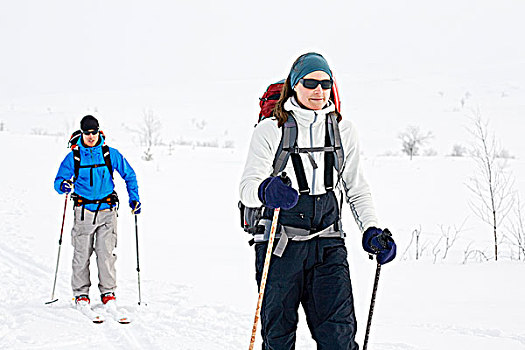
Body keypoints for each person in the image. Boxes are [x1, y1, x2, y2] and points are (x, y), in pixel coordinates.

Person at [239, 53, 396, 349]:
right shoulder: (271, 129)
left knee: (339, 337)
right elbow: (247, 187)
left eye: (325, 83)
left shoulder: (343, 131)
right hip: (278, 245)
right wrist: (266, 190)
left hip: (328, 245)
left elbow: (356, 188)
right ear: (295, 85)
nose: (318, 90)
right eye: (310, 82)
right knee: (278, 338)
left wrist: (371, 229)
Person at [54, 115, 141, 308]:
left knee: (106, 253)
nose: (91, 136)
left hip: (108, 212)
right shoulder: (74, 157)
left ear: (98, 131)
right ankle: (81, 294)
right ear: (82, 133)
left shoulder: (110, 154)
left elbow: (129, 175)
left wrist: (134, 198)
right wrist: (64, 185)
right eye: (87, 133)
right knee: (81, 254)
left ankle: (108, 292)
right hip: (84, 212)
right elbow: (58, 181)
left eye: (94, 132)